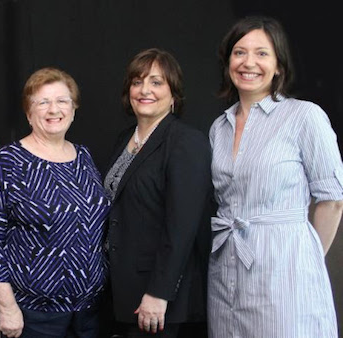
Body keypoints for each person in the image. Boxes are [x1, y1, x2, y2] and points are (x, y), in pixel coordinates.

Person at [208, 15, 343, 338]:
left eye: (262, 53)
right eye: (239, 52)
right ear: (228, 61)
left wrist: (302, 259)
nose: (248, 62)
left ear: (279, 65)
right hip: (226, 268)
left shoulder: (304, 116)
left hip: (284, 268)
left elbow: (332, 200)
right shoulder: (219, 127)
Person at [0, 67, 112, 338]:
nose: (53, 109)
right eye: (42, 102)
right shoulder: (10, 162)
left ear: (73, 109)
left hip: (89, 312)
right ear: (29, 113)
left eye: (61, 101)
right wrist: (8, 308)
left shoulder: (83, 158)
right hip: (34, 315)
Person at [102, 48, 213, 338]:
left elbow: (182, 228)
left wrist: (159, 293)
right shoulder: (124, 139)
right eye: (137, 82)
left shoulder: (186, 142)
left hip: (157, 300)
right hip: (121, 291)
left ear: (173, 93)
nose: (144, 90)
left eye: (156, 82)